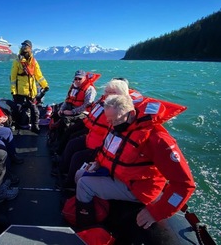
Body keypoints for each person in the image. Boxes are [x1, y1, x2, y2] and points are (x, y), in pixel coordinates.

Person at [74, 94, 195, 230]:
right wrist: (97, 162)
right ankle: (98, 211)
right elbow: (109, 149)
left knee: (84, 184)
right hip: (119, 175)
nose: (111, 124)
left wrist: (157, 212)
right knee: (79, 174)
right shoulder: (119, 123)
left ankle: (86, 228)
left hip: (138, 188)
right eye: (109, 120)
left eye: (114, 120)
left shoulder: (157, 140)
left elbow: (184, 184)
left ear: (131, 113)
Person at [56, 79, 139, 190]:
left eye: (110, 92)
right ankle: (62, 169)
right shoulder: (108, 104)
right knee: (72, 142)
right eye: (106, 91)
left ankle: (69, 186)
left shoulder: (120, 112)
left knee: (78, 157)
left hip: (101, 146)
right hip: (92, 137)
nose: (106, 94)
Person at [52, 70, 100, 154]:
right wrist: (62, 109)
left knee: (65, 120)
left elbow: (86, 105)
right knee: (56, 114)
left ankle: (61, 146)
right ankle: (56, 138)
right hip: (71, 108)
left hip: (83, 112)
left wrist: (72, 112)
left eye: (79, 79)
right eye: (76, 78)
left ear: (84, 78)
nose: (77, 81)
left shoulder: (90, 89)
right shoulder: (73, 87)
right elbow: (67, 100)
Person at [10, 40, 49, 133]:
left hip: (31, 92)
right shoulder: (17, 62)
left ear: (30, 48)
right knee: (17, 109)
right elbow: (13, 78)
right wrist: (13, 92)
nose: (24, 48)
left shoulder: (34, 62)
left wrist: (45, 85)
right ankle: (15, 124)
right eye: (23, 46)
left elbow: (38, 76)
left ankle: (35, 127)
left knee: (34, 110)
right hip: (20, 91)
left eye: (26, 46)